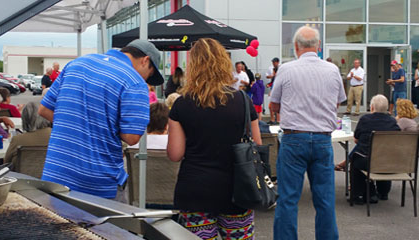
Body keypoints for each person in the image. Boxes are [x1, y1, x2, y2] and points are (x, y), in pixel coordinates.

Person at [38, 39, 161, 201]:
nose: (146, 80)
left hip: (56, 175)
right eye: (149, 75)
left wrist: (81, 123)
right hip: (97, 183)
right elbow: (131, 137)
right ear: (146, 60)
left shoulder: (77, 64)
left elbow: (44, 109)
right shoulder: (134, 81)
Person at [166, 38, 259, 240]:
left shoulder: (181, 104)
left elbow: (175, 154)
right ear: (223, 63)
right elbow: (257, 145)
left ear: (194, 66)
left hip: (195, 191)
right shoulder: (243, 101)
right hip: (238, 189)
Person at [270, 26, 345, 240]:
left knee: (288, 200)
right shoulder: (331, 70)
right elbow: (337, 101)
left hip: (294, 137)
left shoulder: (286, 69)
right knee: (325, 201)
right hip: (322, 138)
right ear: (318, 46)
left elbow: (274, 105)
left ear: (296, 46)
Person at [339, 95, 401, 204]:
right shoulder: (392, 122)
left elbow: (356, 139)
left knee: (356, 159)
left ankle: (357, 194)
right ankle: (383, 192)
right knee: (384, 156)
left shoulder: (365, 119)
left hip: (368, 161)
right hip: (388, 162)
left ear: (372, 107)